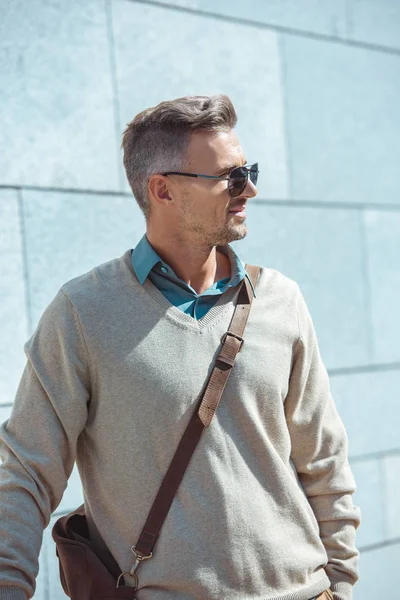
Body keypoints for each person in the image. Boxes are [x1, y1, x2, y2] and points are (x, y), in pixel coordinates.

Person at [0, 94, 360, 600]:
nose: (249, 189)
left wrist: (340, 586)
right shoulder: (84, 313)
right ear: (163, 190)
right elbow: (24, 474)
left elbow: (324, 460)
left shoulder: (281, 300)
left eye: (248, 170)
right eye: (230, 177)